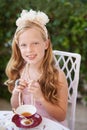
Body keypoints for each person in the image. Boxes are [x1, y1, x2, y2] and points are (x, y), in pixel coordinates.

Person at [5, 9, 68, 123]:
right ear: (18, 47)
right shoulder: (20, 70)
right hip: (28, 123)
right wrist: (16, 92)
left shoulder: (58, 75)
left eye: (35, 43)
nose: (29, 50)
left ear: (46, 44)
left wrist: (41, 98)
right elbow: (15, 107)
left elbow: (61, 116)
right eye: (23, 45)